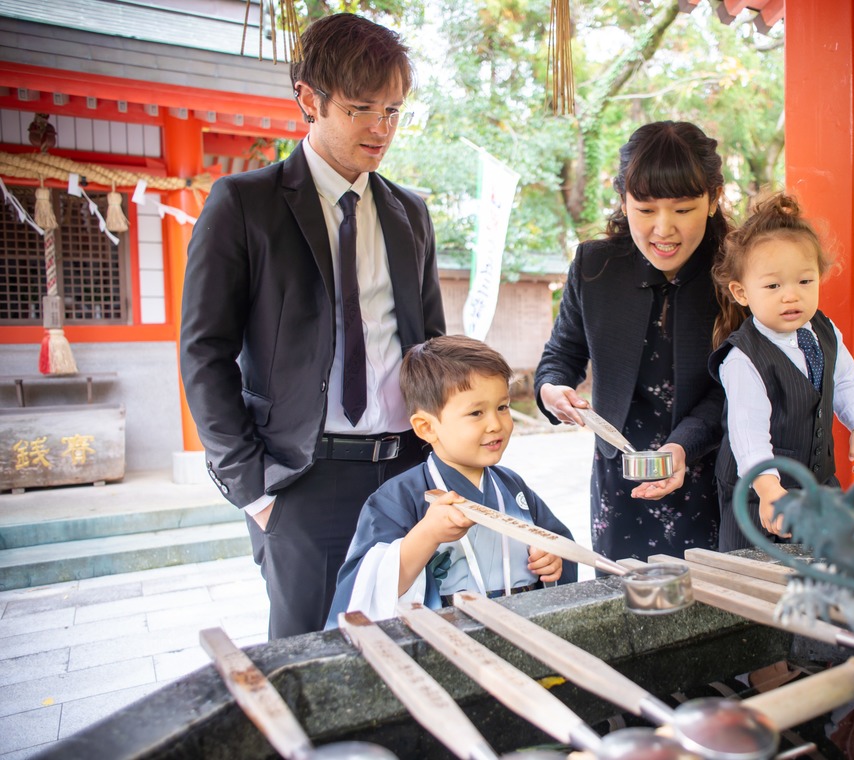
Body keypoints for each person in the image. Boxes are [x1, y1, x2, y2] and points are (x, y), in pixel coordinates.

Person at [179, 13, 446, 639]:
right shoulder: (245, 204)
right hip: (302, 479)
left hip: (407, 471)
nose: (381, 129)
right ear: (309, 99)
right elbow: (204, 353)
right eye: (361, 109)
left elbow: (431, 345)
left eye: (393, 111)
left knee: (414, 644)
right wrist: (255, 490)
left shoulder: (410, 213)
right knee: (310, 660)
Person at [534, 121, 733, 562]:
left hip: (710, 472)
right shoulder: (595, 265)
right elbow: (562, 354)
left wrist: (682, 447)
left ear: (714, 199)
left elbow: (737, 386)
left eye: (683, 209)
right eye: (645, 209)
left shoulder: (735, 271)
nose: (664, 229)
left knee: (712, 595)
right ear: (623, 201)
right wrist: (551, 389)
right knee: (623, 595)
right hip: (620, 479)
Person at [325, 335, 577, 624]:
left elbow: (560, 545)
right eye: (476, 413)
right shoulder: (398, 498)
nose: (495, 424)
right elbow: (365, 590)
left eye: (502, 407)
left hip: (523, 627)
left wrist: (552, 560)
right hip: (444, 635)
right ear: (426, 427)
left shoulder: (512, 487)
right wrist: (427, 535)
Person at [709, 192, 854, 550]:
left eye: (804, 281)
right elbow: (748, 433)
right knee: (754, 571)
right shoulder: (743, 359)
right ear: (741, 292)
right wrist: (769, 489)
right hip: (758, 493)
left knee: (827, 559)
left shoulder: (823, 330)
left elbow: (845, 379)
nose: (791, 296)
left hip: (817, 486)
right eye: (773, 286)